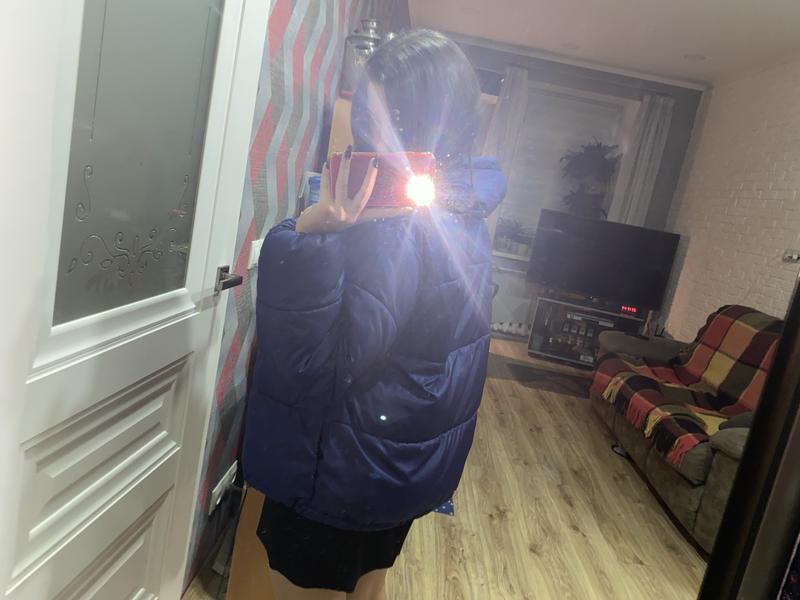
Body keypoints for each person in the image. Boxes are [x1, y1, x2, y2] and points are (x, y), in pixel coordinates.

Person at [242, 29, 507, 600]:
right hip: (393, 463)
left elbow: (315, 364)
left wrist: (302, 236)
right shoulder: (461, 207)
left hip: (340, 469)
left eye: (396, 123)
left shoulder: (396, 230)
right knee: (367, 586)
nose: (380, 140)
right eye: (371, 118)